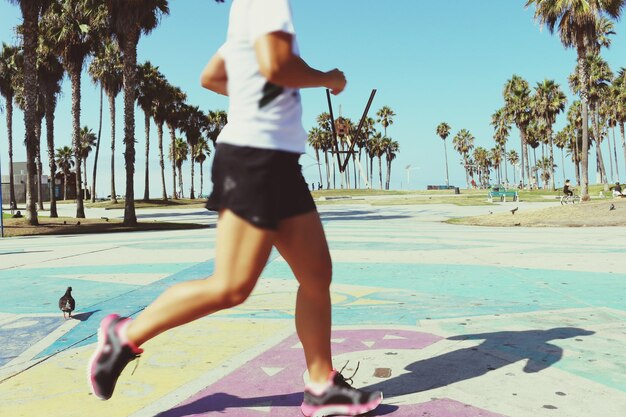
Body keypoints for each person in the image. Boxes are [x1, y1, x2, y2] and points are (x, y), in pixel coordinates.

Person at [87, 1, 383, 416]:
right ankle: (124, 334)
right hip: (255, 157)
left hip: (279, 160)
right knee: (232, 286)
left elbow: (213, 76)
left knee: (316, 274)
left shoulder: (249, 11)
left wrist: (259, 92)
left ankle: (321, 384)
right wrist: (328, 79)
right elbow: (277, 65)